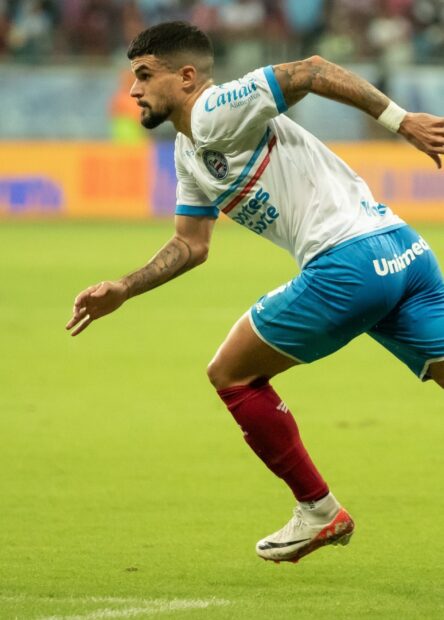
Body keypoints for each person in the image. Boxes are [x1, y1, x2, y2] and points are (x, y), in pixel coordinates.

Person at [66, 21, 444, 564]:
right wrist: (124, 287)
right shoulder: (189, 149)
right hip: (404, 251)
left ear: (187, 76)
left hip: (348, 264)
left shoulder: (214, 109)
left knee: (230, 373)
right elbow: (191, 244)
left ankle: (318, 509)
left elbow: (311, 70)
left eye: (145, 75)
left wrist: (401, 121)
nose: (133, 91)